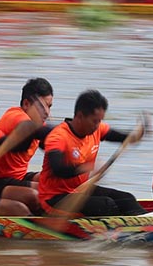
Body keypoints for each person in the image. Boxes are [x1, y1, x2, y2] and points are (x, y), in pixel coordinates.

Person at [38, 89, 146, 217]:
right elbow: (58, 169)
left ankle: (148, 225)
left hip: (80, 190)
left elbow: (118, 136)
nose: (97, 125)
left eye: (100, 121)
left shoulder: (96, 128)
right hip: (54, 199)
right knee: (107, 205)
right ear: (80, 116)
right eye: (95, 121)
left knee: (127, 199)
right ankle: (119, 234)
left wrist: (134, 136)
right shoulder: (58, 137)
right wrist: (85, 167)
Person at [0, 77, 54, 194]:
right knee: (46, 191)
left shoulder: (38, 123)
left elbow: (49, 143)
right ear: (26, 104)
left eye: (49, 106)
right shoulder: (17, 116)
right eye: (42, 107)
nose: (47, 112)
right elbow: (44, 132)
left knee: (56, 181)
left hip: (19, 177)